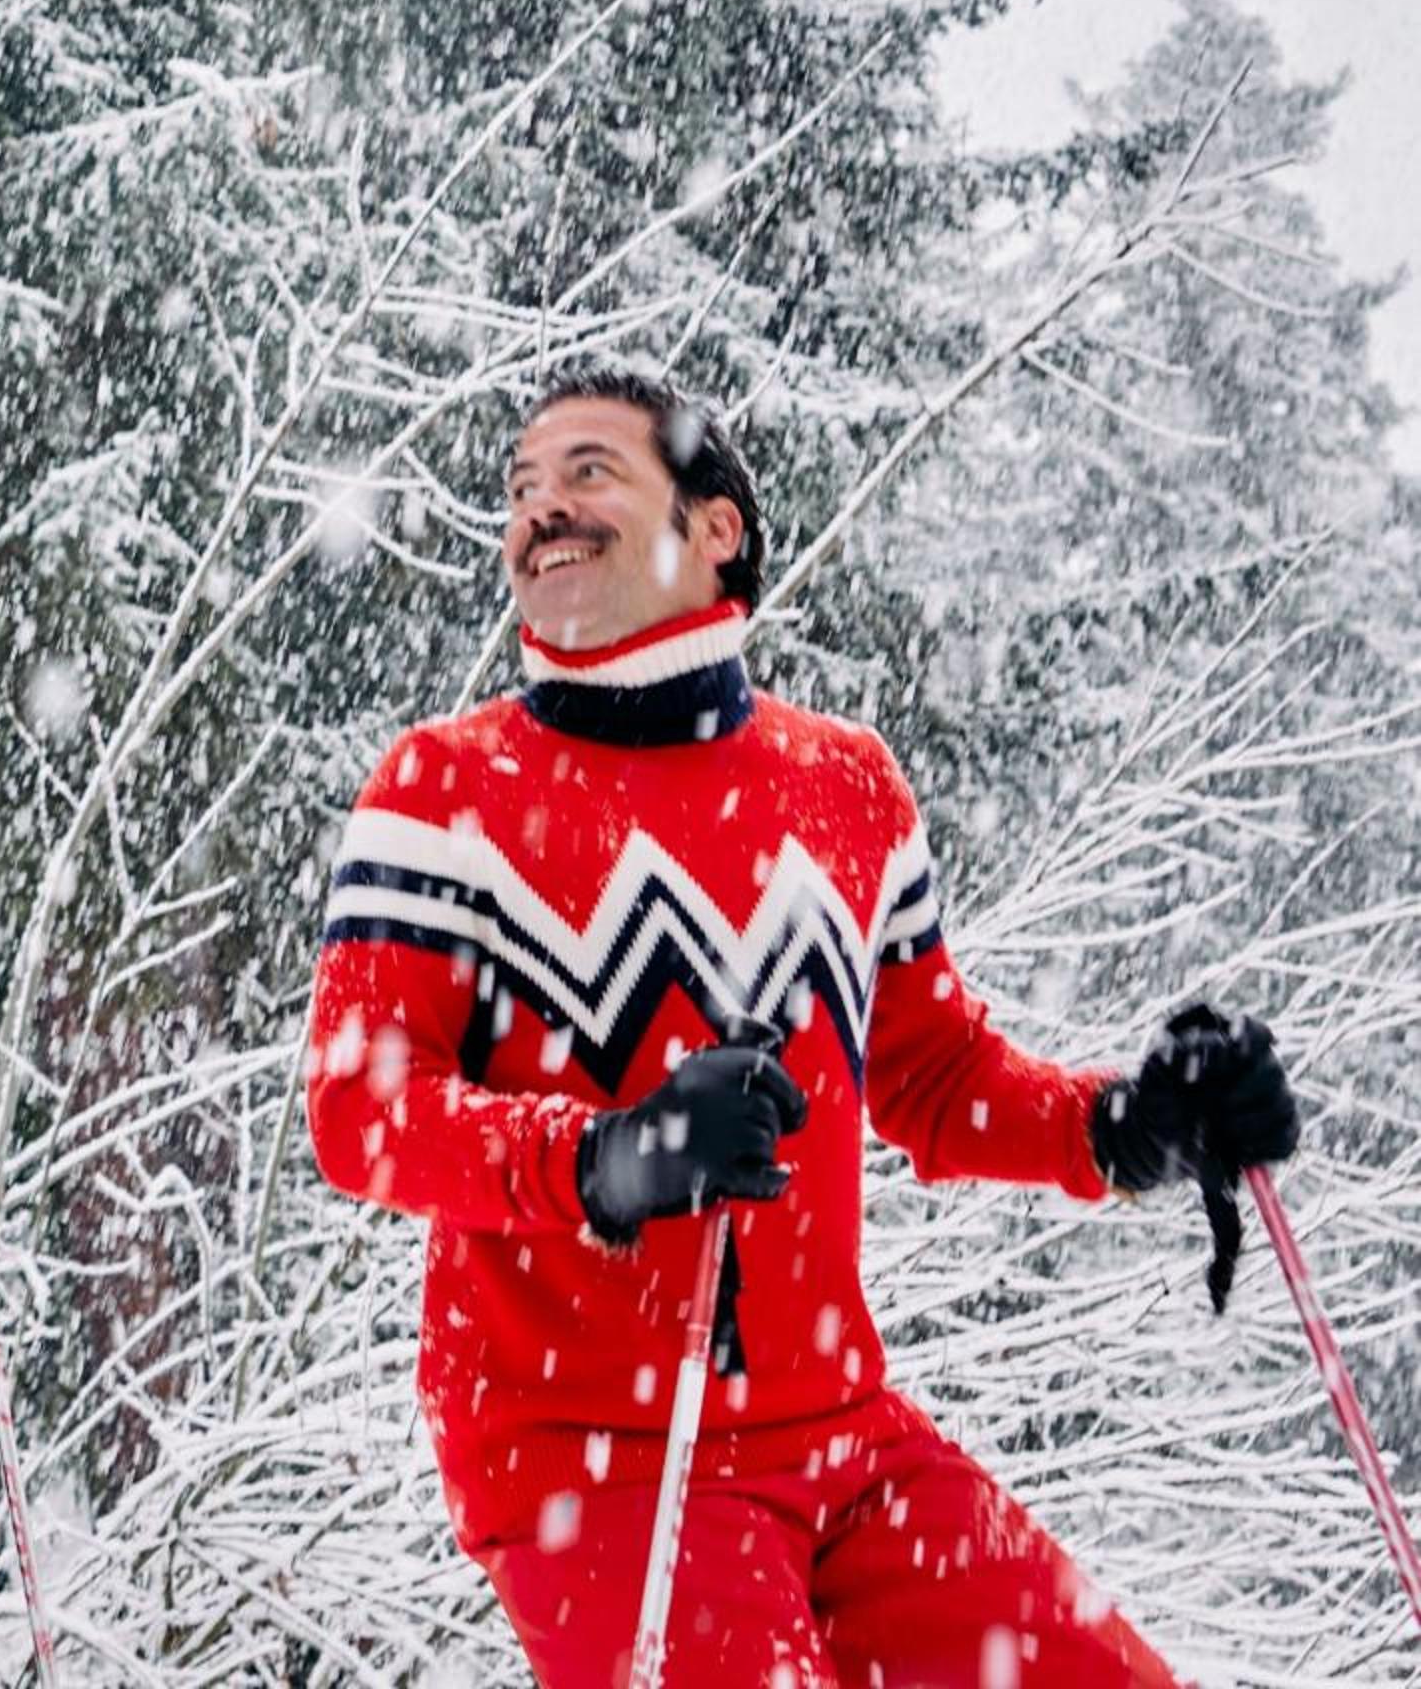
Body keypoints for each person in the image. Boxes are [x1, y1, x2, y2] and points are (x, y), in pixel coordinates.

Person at [303, 361, 1299, 1686]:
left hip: (841, 1434)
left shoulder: (846, 785)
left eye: (589, 472)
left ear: (718, 527)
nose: (541, 509)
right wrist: (607, 1158)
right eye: (523, 487)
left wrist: (1121, 1127)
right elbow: (362, 1114)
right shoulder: (442, 790)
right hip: (591, 1454)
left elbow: (934, 1078)